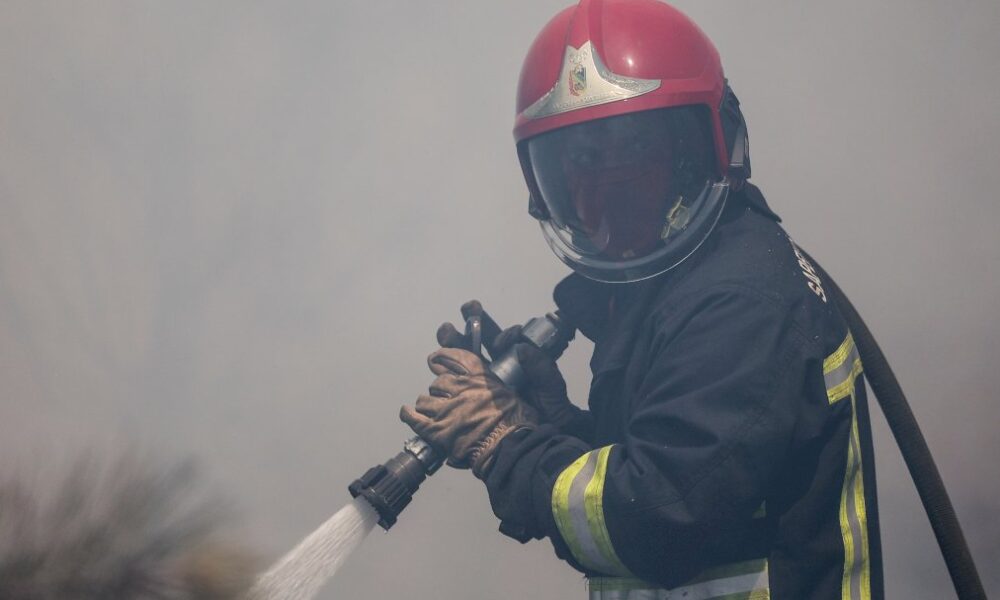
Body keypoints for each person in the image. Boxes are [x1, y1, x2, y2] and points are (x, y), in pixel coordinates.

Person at [400, 0, 884, 597]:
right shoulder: (673, 291)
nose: (603, 188)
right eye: (578, 159)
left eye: (633, 146)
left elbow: (656, 517)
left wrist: (505, 444)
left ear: (702, 147)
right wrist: (549, 423)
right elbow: (668, 470)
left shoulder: (738, 301)